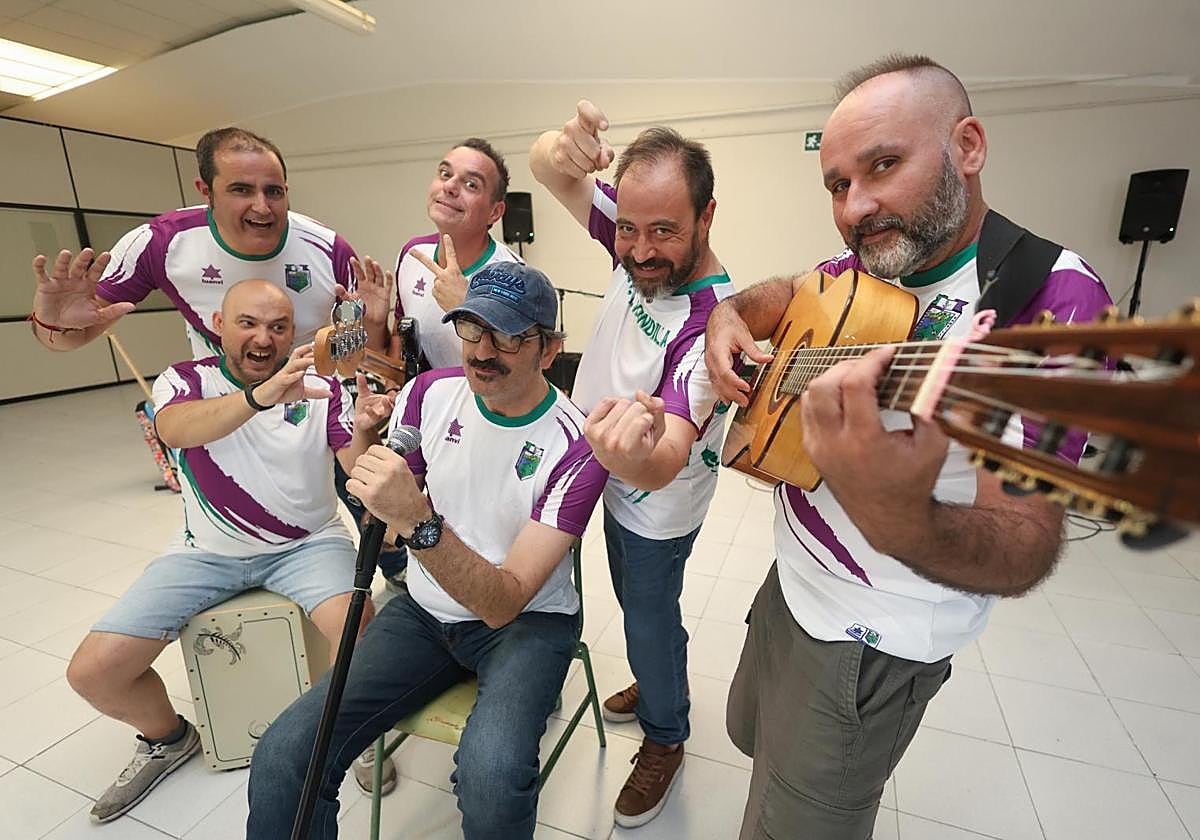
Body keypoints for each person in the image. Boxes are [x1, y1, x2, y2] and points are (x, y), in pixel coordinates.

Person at [704, 54, 1115, 839]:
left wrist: (898, 515)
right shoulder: (872, 263)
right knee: (752, 737)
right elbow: (793, 292)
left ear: (968, 146)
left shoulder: (1053, 299)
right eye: (837, 184)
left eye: (883, 165)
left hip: (869, 640)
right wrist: (730, 315)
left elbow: (1026, 543)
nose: (856, 206)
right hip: (792, 583)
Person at [245, 262, 608, 840]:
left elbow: (503, 603)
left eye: (509, 337)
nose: (483, 351)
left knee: (492, 777)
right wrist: (367, 446)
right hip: (424, 611)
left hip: (527, 623)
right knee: (286, 752)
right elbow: (385, 523)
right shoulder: (428, 393)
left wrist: (417, 520)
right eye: (472, 328)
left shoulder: (580, 446)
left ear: (549, 350)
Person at [65, 279, 394, 824]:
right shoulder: (186, 380)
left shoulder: (322, 387)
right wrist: (259, 397)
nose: (263, 338)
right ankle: (168, 738)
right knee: (93, 673)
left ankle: (345, 734)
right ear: (218, 325)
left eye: (278, 327)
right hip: (204, 551)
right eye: (248, 323)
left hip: (308, 543)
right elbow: (175, 430)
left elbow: (355, 469)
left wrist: (364, 431)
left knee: (359, 629)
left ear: (293, 332)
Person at [529, 103, 735, 828]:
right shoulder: (634, 232)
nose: (640, 252)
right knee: (636, 608)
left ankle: (666, 734)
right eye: (629, 229)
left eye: (664, 232)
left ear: (706, 217)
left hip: (656, 501)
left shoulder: (712, 321)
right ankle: (660, 681)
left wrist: (625, 457)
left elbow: (668, 456)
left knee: (646, 615)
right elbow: (545, 168)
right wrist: (560, 147)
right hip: (603, 463)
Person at [29, 126, 391, 360]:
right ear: (206, 191)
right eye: (241, 190)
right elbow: (66, 338)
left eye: (274, 191)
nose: (262, 207)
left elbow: (364, 351)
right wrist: (52, 324)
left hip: (314, 411)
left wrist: (371, 328)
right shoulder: (160, 243)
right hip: (221, 409)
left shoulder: (329, 250)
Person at [347, 138, 523, 591]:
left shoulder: (511, 276)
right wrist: (375, 322)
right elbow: (400, 354)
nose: (450, 187)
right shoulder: (413, 256)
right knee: (356, 476)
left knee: (470, 538)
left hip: (486, 427)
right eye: (445, 174)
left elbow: (519, 378)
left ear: (495, 211)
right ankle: (401, 572)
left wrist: (468, 307)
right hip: (424, 414)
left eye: (470, 184)